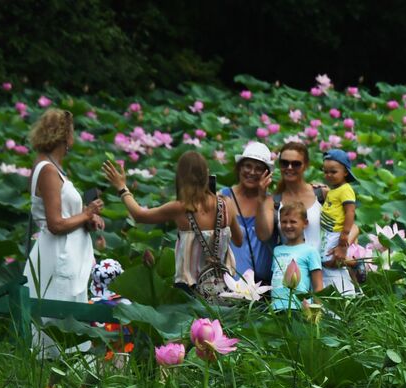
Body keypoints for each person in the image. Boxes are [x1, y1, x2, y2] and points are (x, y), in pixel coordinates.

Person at [102, 150, 245, 302]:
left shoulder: (179, 208)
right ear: (207, 174)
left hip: (189, 289)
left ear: (180, 178)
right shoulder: (227, 204)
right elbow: (238, 240)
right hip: (223, 286)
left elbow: (138, 215)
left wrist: (122, 187)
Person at [25, 108, 102, 302]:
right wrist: (87, 213)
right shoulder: (48, 170)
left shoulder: (48, 166)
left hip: (65, 254)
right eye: (72, 131)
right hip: (60, 257)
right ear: (64, 135)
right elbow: (56, 225)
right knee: (58, 321)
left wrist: (86, 220)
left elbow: (64, 216)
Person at [221, 141, 276, 286]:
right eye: (248, 166)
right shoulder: (224, 197)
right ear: (239, 168)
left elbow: (264, 234)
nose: (252, 172)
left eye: (258, 169)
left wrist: (260, 198)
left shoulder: (269, 201)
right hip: (231, 284)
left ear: (267, 174)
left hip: (262, 287)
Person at [319, 149, 361, 295]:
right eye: (326, 172)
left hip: (337, 232)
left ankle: (354, 264)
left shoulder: (346, 189)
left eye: (333, 172)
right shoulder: (334, 190)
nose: (328, 175)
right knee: (325, 258)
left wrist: (345, 234)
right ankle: (352, 265)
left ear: (345, 172)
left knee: (329, 261)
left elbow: (350, 212)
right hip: (328, 231)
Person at [271, 141, 324, 249]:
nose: (289, 167)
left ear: (306, 165)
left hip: (321, 264)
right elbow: (263, 236)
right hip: (289, 264)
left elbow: (352, 227)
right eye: (284, 163)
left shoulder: (321, 194)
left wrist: (341, 248)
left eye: (296, 164)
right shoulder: (274, 201)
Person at [271, 206, 323, 311]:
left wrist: (316, 312)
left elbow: (318, 287)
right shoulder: (277, 250)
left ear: (305, 223)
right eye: (284, 222)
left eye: (293, 222)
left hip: (298, 308)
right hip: (275, 308)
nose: (288, 225)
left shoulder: (310, 251)